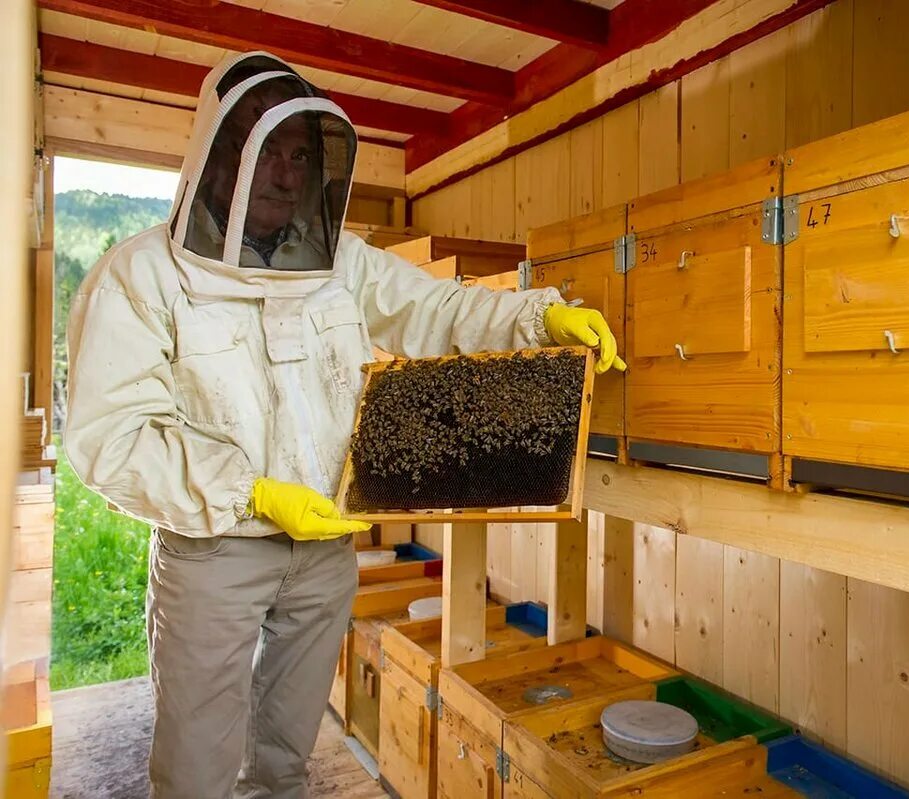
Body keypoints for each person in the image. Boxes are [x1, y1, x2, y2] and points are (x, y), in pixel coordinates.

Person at [64, 51, 624, 799]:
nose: (287, 173)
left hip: (327, 543)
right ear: (220, 153)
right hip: (212, 554)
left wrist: (536, 317)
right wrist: (252, 493)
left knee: (285, 753)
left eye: (301, 155)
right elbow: (113, 439)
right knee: (195, 765)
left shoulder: (340, 263)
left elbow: (437, 309)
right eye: (268, 151)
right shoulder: (140, 278)